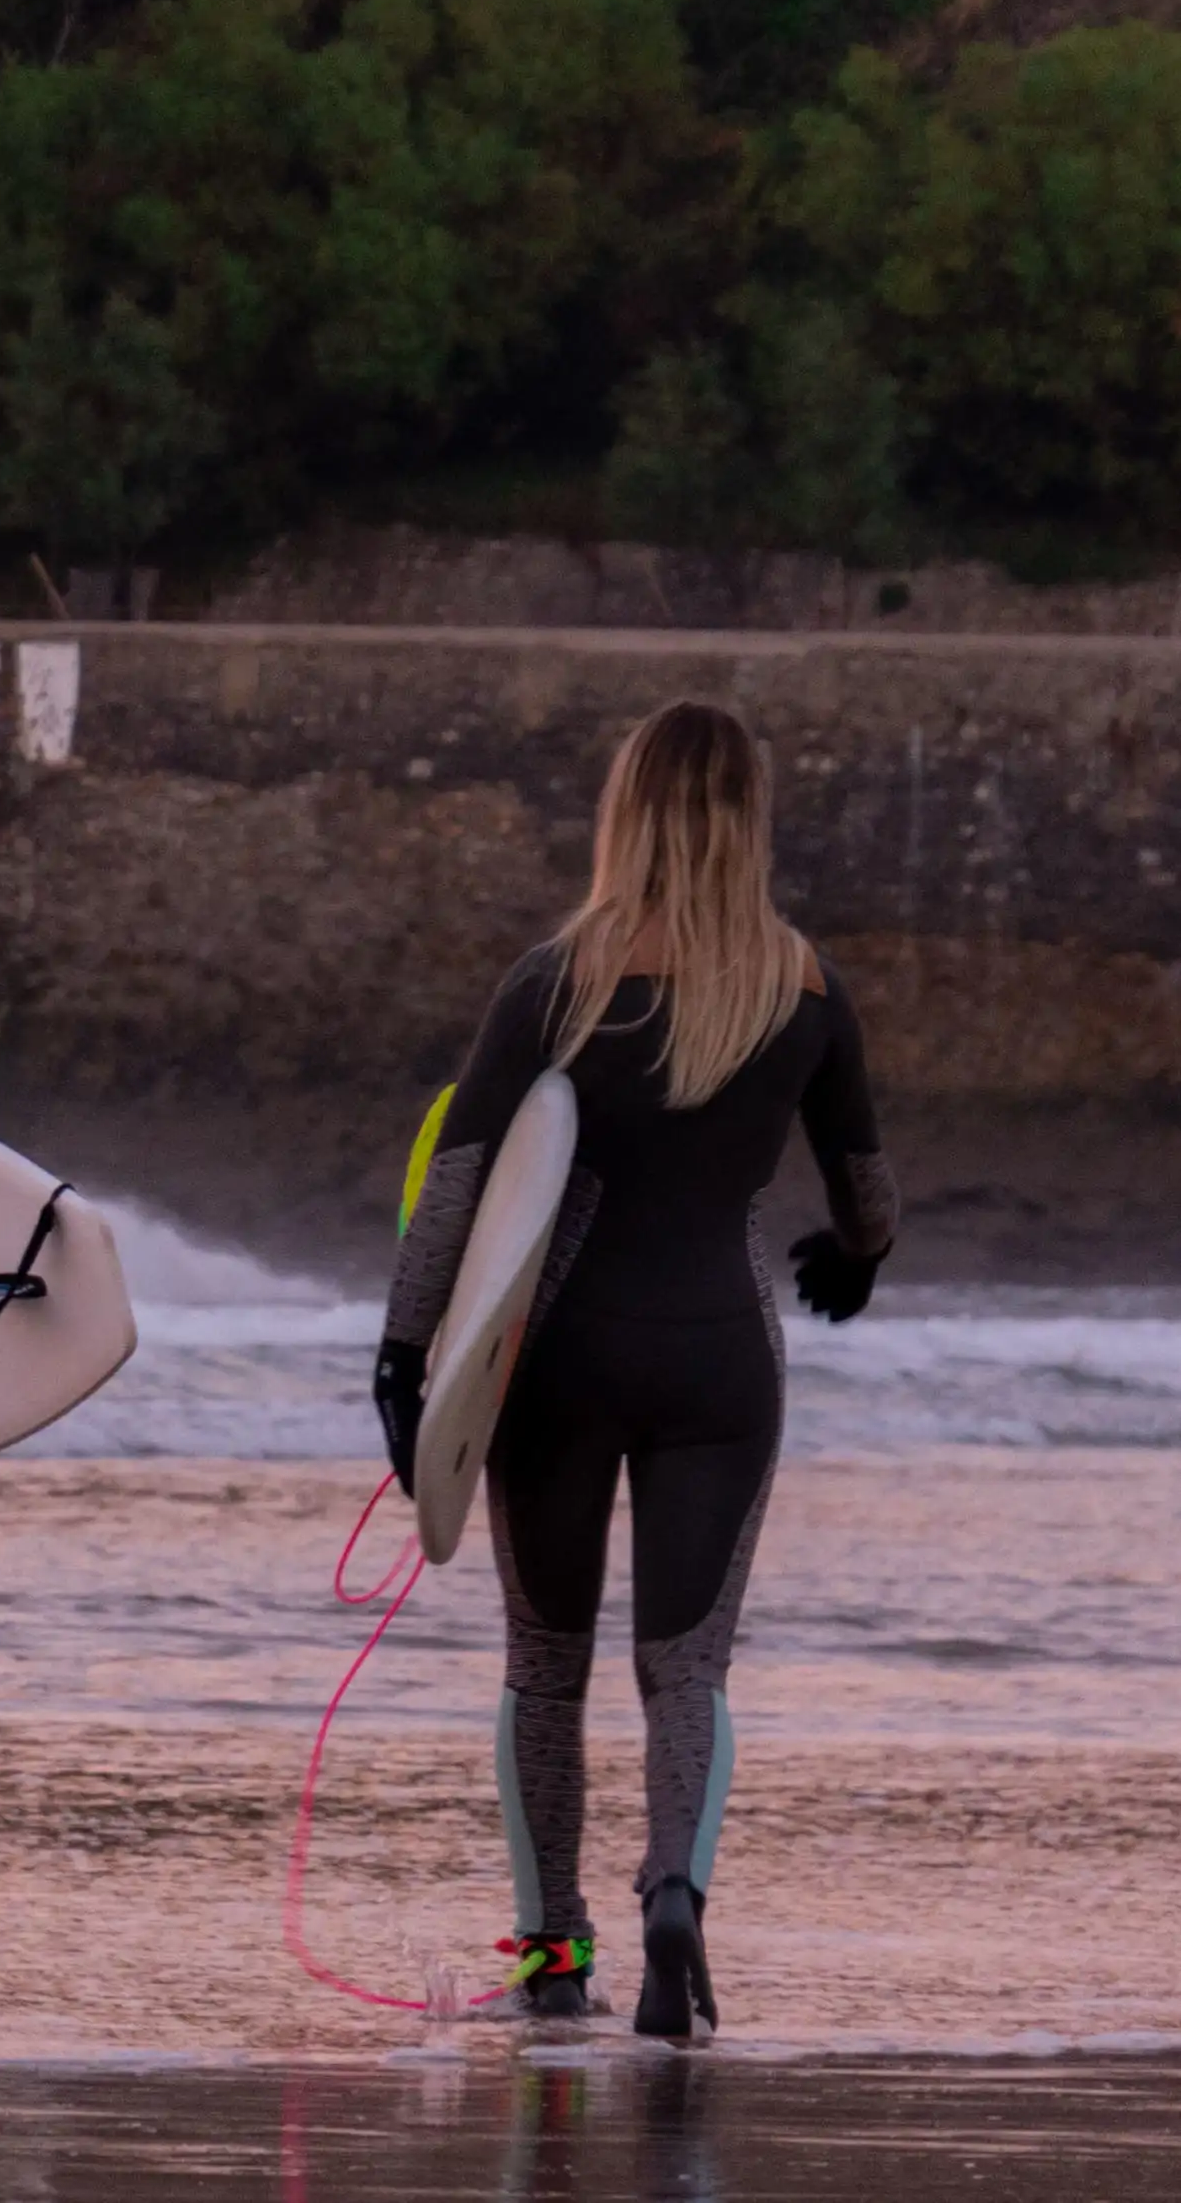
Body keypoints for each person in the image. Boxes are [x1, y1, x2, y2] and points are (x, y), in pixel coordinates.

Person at [374, 698, 897, 2041]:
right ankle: (674, 1895)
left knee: (545, 1669)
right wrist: (853, 1263)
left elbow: (458, 1185)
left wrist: (402, 1356)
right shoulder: (803, 987)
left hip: (558, 1364)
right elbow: (865, 1190)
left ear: (625, 810)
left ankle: (555, 1956)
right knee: (686, 1672)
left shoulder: (558, 977)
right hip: (723, 1366)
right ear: (749, 820)